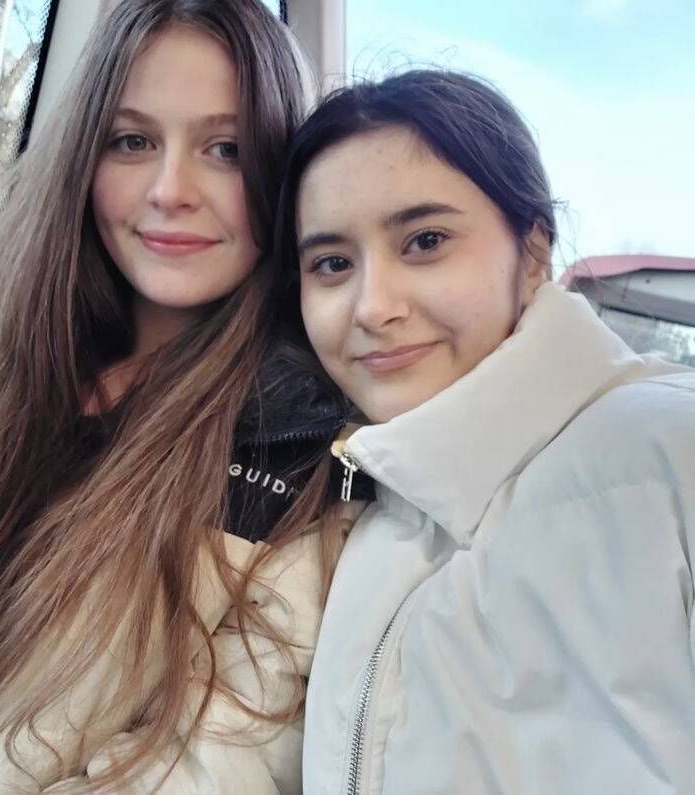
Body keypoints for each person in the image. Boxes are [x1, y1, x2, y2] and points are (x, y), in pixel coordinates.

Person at [0, 2, 352, 793]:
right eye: (132, 141)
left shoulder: (300, 454)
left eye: (226, 149)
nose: (170, 190)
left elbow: (214, 766)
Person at [275, 69, 695, 793]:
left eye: (425, 241)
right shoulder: (364, 515)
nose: (372, 306)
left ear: (532, 252)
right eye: (333, 264)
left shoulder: (670, 450)